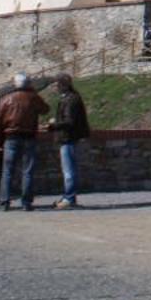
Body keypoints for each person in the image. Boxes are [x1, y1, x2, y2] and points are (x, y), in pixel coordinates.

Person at [0, 72, 48, 211]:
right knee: (27, 171)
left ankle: (4, 202)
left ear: (15, 84)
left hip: (10, 137)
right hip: (29, 135)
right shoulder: (33, 98)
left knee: (7, 171)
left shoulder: (6, 99)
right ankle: (26, 202)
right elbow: (45, 109)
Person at [47, 74, 90, 209]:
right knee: (69, 169)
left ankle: (69, 198)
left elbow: (69, 121)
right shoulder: (70, 98)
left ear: (62, 85)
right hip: (69, 137)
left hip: (69, 137)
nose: (54, 87)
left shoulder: (71, 100)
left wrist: (53, 125)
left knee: (69, 171)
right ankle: (68, 197)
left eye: (55, 85)